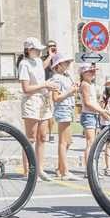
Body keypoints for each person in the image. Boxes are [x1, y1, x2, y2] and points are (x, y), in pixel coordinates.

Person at [17, 37, 50, 178]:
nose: (39, 51)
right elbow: (26, 88)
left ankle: (39, 169)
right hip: (31, 100)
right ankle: (28, 169)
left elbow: (41, 70)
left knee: (42, 136)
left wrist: (51, 56)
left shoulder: (37, 61)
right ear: (29, 50)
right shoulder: (24, 64)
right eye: (36, 49)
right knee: (30, 138)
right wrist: (45, 85)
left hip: (43, 100)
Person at [76, 60, 110, 172]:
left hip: (93, 114)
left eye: (93, 71)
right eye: (90, 72)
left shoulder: (90, 84)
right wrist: (102, 112)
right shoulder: (85, 85)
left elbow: (94, 102)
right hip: (88, 115)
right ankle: (89, 170)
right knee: (90, 142)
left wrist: (105, 112)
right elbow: (87, 102)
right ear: (83, 73)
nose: (92, 73)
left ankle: (91, 168)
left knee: (93, 143)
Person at [47, 52, 76, 180]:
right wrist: (70, 92)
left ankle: (60, 168)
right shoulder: (56, 78)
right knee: (64, 142)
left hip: (68, 108)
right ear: (58, 65)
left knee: (68, 141)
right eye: (66, 63)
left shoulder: (66, 77)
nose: (68, 65)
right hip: (63, 108)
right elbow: (56, 98)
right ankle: (65, 172)